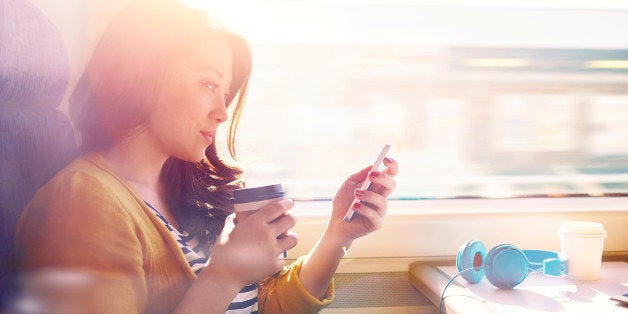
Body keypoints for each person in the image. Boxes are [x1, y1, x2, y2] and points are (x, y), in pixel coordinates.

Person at [11, 0, 398, 313]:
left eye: (225, 92)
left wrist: (338, 234)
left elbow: (259, 307)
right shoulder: (83, 204)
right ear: (142, 74)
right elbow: (222, 289)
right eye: (209, 84)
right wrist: (225, 273)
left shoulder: (176, 191)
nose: (223, 112)